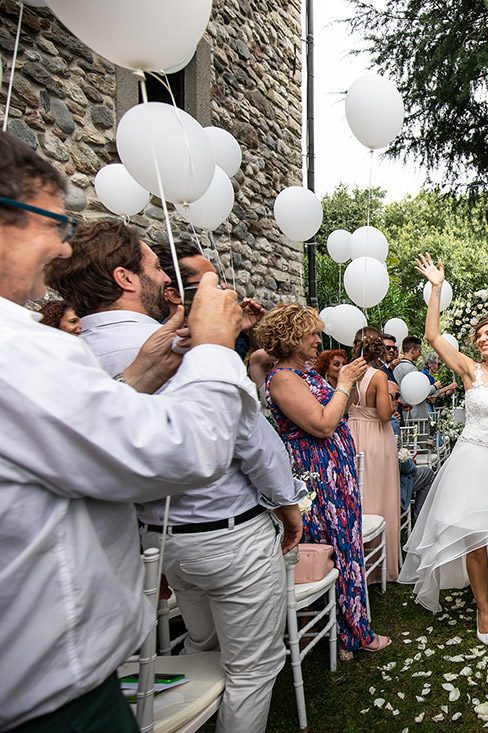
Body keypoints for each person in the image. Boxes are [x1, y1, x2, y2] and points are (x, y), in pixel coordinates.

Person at [0, 129, 256, 731]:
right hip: (51, 704)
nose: (62, 252)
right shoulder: (20, 352)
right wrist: (217, 349)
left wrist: (140, 374)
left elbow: (63, 440)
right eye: (51, 224)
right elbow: (184, 451)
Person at [45, 222, 307, 732]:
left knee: (202, 646)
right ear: (125, 277)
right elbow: (246, 440)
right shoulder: (184, 349)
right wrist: (288, 504)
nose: (163, 277)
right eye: (154, 266)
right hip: (227, 535)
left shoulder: (64, 353)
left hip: (154, 541)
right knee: (253, 667)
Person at [400, 255, 488, 643]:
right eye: (479, 335)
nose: (482, 339)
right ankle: (482, 607)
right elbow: (432, 336)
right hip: (470, 461)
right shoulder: (468, 369)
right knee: (476, 536)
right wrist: (437, 288)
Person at [256, 304, 391, 659]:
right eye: (311, 333)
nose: (318, 339)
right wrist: (345, 382)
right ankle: (353, 632)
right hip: (318, 477)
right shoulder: (284, 378)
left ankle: (346, 630)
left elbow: (338, 412)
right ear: (291, 336)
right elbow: (323, 423)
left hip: (335, 472)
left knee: (346, 547)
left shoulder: (303, 373)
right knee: (336, 547)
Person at [347, 325, 402, 583]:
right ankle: (379, 564)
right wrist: (393, 402)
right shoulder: (379, 376)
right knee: (379, 494)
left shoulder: (346, 373)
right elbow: (383, 415)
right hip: (376, 436)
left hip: (351, 432)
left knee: (358, 493)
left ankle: (356, 561)